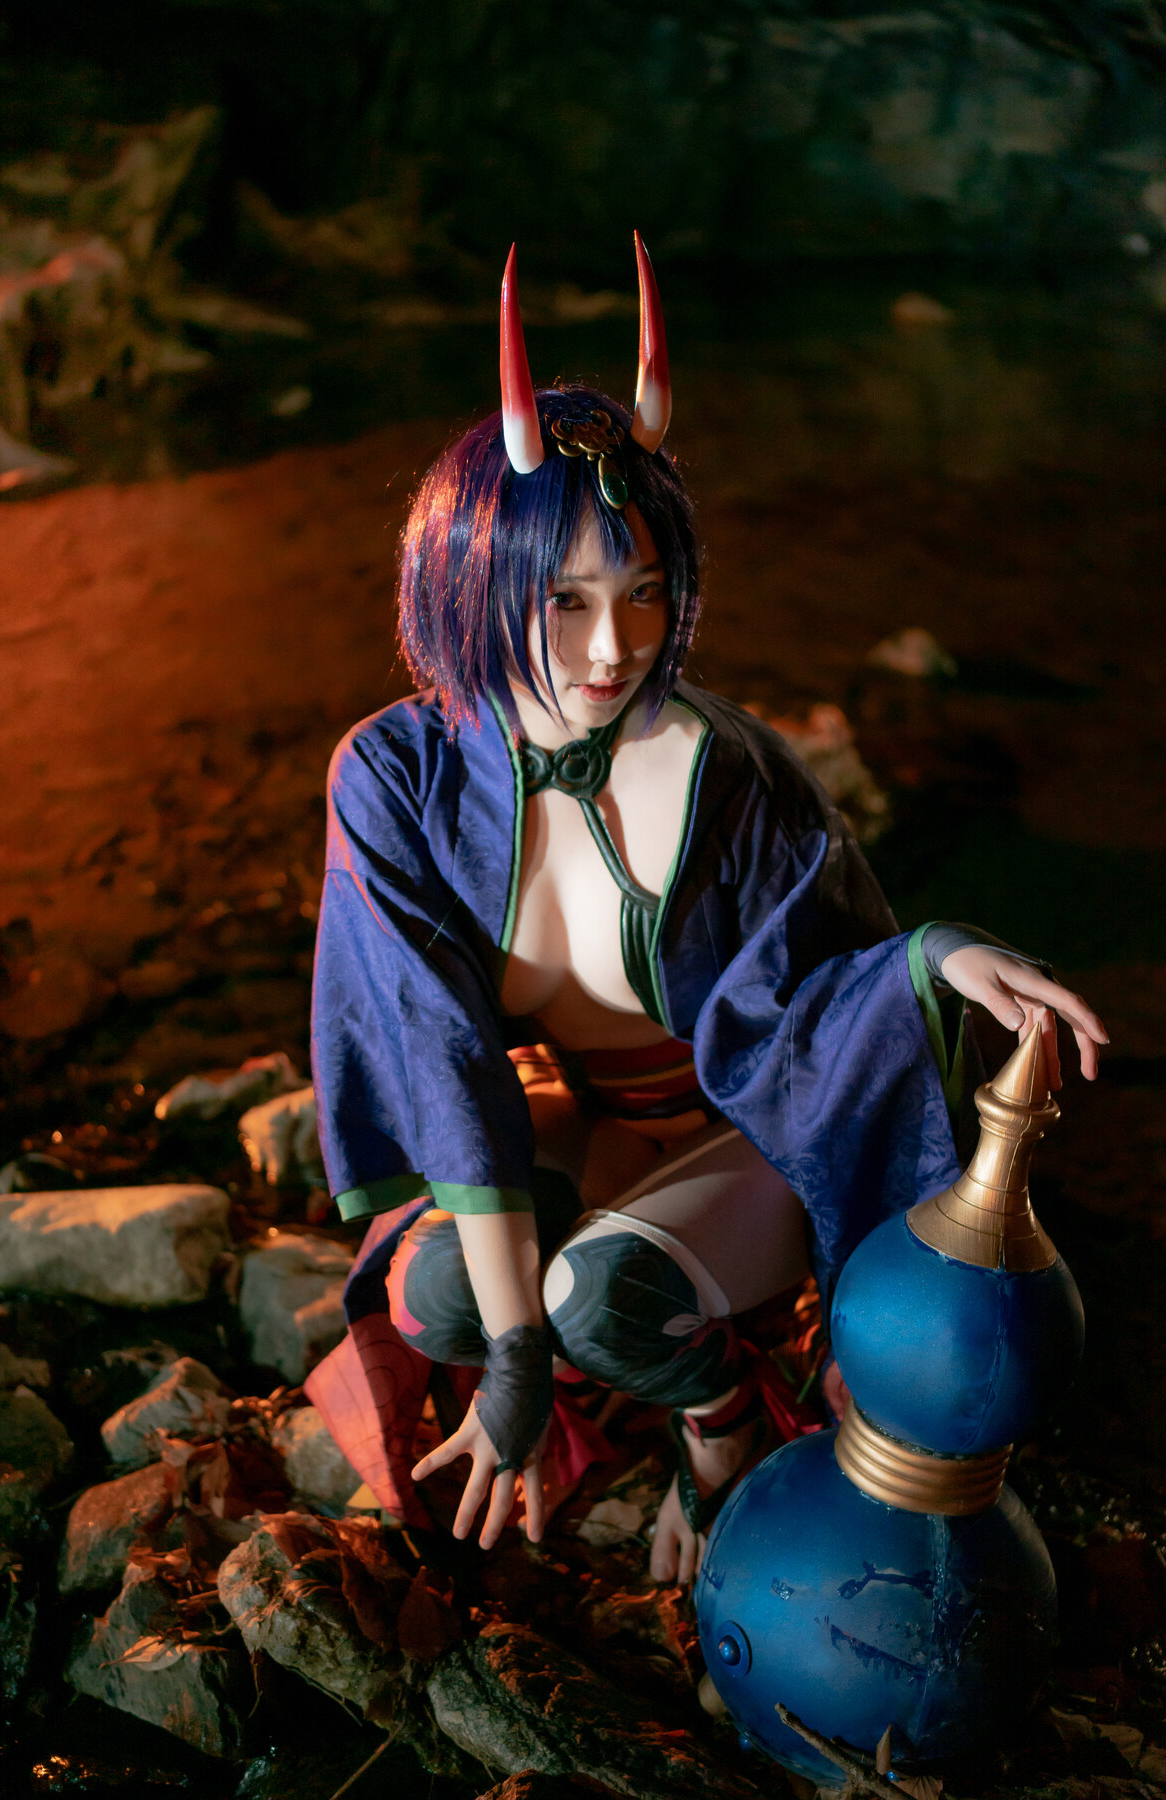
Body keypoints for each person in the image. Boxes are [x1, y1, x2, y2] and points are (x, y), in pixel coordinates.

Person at [307, 238, 1107, 1585]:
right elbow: (436, 1056)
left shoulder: (726, 768)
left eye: (643, 593)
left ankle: (724, 1422)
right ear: (471, 582)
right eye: (564, 600)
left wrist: (934, 955)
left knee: (599, 1298)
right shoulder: (394, 778)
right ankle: (596, 1377)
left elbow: (827, 1007)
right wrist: (512, 1367)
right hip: (595, 1120)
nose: (612, 649)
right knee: (443, 1294)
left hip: (751, 1133)